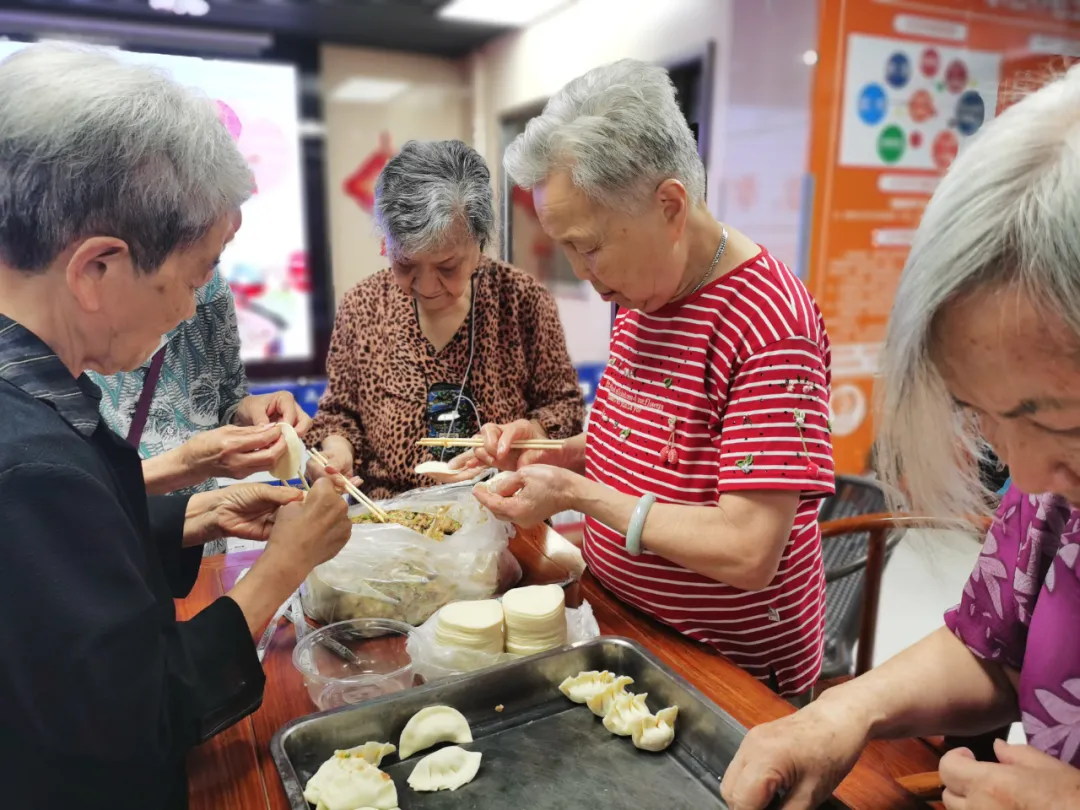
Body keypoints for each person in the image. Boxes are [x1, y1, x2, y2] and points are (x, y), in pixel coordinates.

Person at [0, 44, 352, 810]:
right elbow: (135, 714)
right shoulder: (27, 465)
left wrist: (198, 512)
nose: (193, 308)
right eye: (193, 279)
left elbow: (64, 593)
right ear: (97, 269)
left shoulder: (35, 401)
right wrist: (280, 572)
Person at [721, 67, 1080, 810]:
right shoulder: (1050, 493)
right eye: (983, 416)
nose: (1024, 471)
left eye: (1062, 425)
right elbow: (992, 648)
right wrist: (847, 709)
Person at [466, 59, 835, 701]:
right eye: (567, 250)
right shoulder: (642, 292)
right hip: (629, 626)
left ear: (669, 205)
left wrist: (577, 494)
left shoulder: (770, 322)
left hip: (727, 669)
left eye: (590, 246)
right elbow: (656, 445)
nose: (582, 272)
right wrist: (552, 453)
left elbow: (750, 550)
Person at [305, 139, 585, 499]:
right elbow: (339, 413)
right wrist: (336, 452)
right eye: (405, 265)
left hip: (499, 514)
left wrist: (531, 434)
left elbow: (563, 406)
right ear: (385, 245)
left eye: (447, 267)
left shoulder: (521, 301)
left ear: (480, 244)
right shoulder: (362, 306)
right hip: (390, 523)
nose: (426, 286)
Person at [89, 259, 313, 555]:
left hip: (201, 543)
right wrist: (190, 466)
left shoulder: (211, 290)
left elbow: (221, 400)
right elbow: (65, 496)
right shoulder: (62, 326)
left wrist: (246, 411)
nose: (190, 310)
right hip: (109, 550)